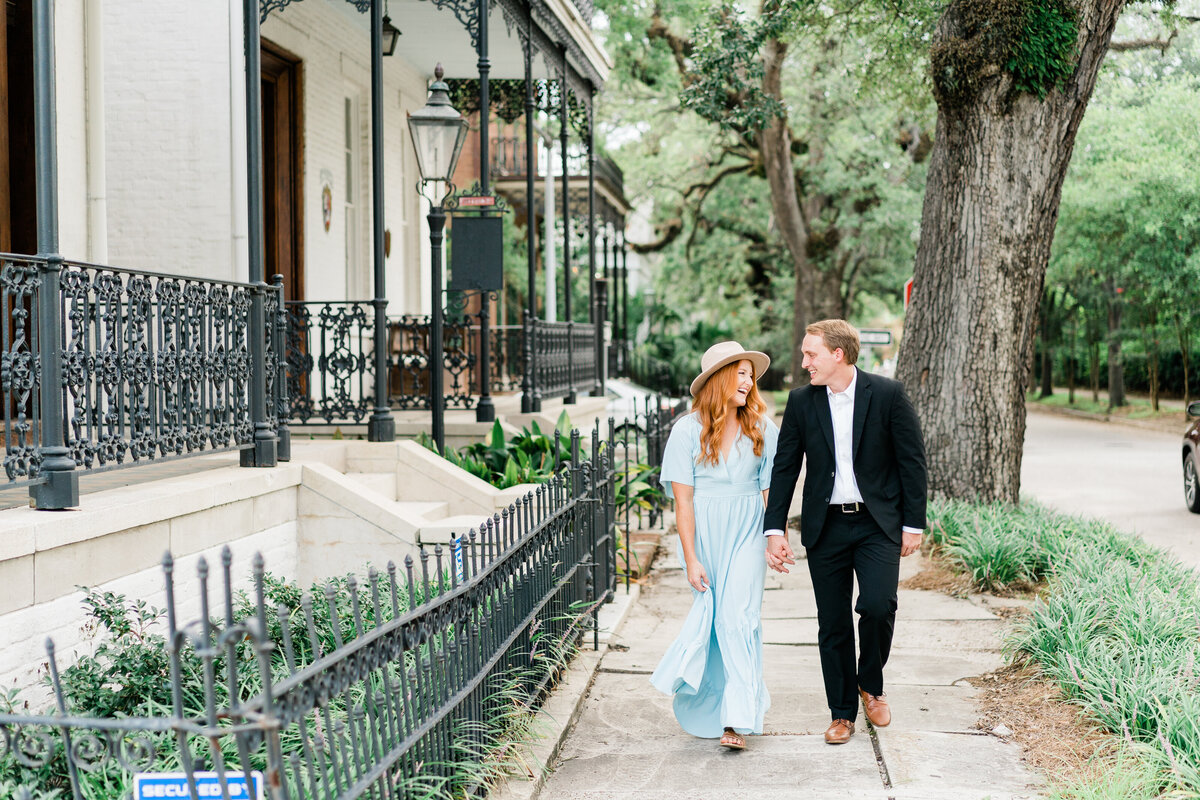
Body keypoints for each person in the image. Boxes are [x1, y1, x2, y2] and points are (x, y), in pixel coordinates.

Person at [764, 319, 927, 745]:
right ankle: (842, 713)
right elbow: (786, 467)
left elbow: (912, 462)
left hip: (878, 524)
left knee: (877, 605)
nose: (804, 363)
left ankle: (870, 684)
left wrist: (914, 524)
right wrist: (774, 528)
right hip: (826, 525)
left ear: (838, 354)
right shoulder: (802, 402)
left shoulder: (888, 394)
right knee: (832, 622)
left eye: (810, 354)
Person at [650, 341, 779, 751]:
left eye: (749, 374)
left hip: (747, 531)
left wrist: (776, 536)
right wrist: (690, 558)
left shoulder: (762, 427)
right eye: (740, 372)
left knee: (736, 620)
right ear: (719, 378)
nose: (748, 381)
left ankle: (737, 718)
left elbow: (770, 491)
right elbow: (683, 502)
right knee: (714, 622)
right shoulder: (686, 432)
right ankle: (713, 705)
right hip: (705, 535)